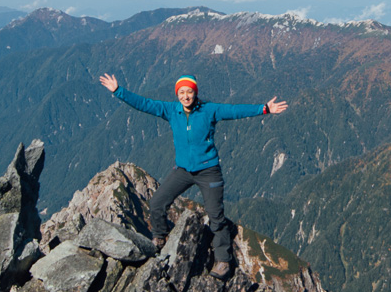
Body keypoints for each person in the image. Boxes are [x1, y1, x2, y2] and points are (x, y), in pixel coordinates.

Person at [97, 72, 287, 279]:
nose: (185, 96)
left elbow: (234, 111)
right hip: (183, 171)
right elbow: (144, 104)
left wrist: (265, 108)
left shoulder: (208, 110)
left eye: (189, 92)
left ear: (195, 93)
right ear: (177, 94)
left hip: (209, 171)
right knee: (157, 202)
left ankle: (223, 261)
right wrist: (118, 91)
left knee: (216, 216)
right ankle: (159, 238)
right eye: (182, 92)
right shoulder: (172, 110)